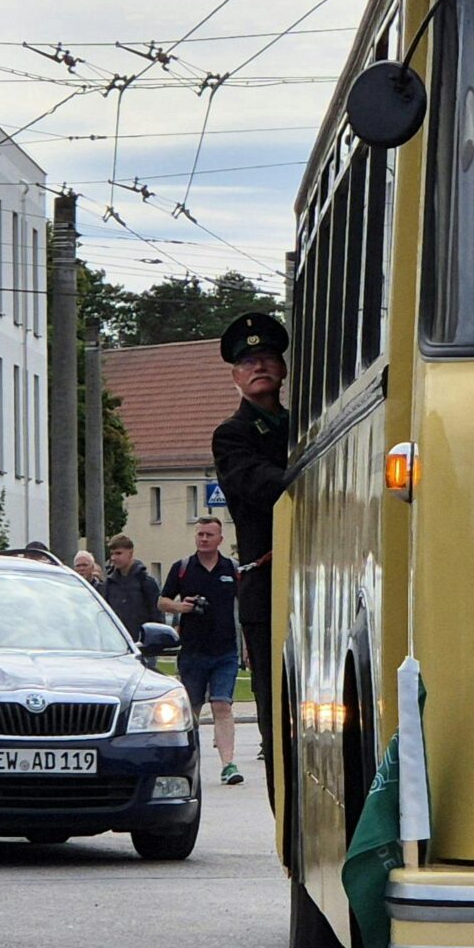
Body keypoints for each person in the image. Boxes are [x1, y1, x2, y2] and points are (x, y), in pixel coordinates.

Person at [213, 309, 292, 806]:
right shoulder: (233, 435)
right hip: (269, 579)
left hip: (319, 569)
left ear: (283, 369)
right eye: (248, 363)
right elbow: (260, 485)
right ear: (236, 377)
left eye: (267, 359)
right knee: (274, 700)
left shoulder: (307, 418)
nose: (259, 367)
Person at [161, 516, 244, 786]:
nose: (204, 539)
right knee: (192, 710)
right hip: (192, 652)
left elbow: (244, 609)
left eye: (209, 535)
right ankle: (189, 763)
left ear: (220, 539)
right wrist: (180, 607)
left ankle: (228, 764)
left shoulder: (232, 569)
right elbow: (162, 601)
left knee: (222, 705)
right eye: (200, 534)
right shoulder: (183, 568)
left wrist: (248, 647)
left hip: (225, 650)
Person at [95, 533, 162, 648]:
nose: (114, 558)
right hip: (115, 645)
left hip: (142, 646)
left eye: (118, 553)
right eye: (112, 554)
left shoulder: (146, 583)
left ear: (130, 553)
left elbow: (156, 616)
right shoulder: (109, 584)